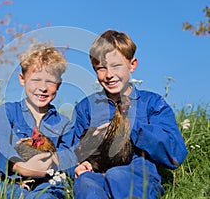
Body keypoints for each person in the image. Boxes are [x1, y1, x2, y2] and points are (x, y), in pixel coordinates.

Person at [72, 29, 188, 199]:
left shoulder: (152, 104)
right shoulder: (86, 108)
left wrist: (129, 128)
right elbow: (71, 149)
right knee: (85, 183)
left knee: (117, 176)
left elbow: (175, 154)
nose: (109, 75)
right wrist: (78, 165)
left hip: (137, 172)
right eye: (101, 68)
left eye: (116, 66)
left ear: (132, 64)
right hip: (96, 171)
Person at [0, 43, 76, 199]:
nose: (43, 88)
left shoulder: (65, 124)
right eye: (36, 80)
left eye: (50, 81)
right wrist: (19, 166)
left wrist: (53, 161)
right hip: (7, 182)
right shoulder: (6, 112)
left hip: (47, 185)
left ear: (59, 85)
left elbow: (71, 158)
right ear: (22, 79)